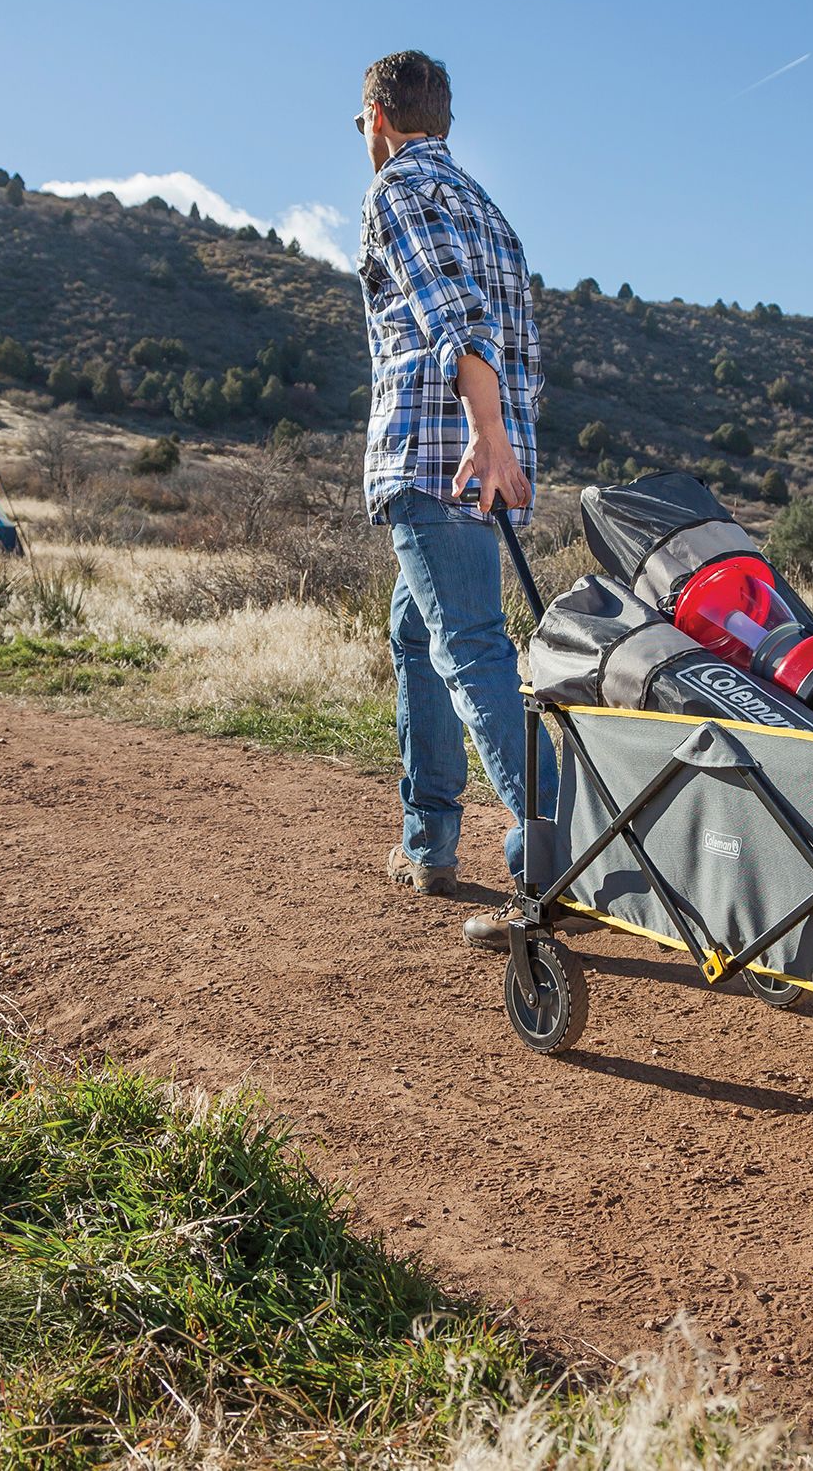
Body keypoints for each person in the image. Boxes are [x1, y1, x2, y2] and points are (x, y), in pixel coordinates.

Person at [356, 49, 569, 950]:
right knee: (420, 635)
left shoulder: (397, 192)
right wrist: (502, 437)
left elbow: (458, 321)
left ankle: (554, 847)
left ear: (377, 120)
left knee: (469, 642)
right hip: (483, 466)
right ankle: (430, 843)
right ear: (444, 118)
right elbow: (515, 340)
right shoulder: (493, 213)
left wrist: (484, 434)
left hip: (441, 458)